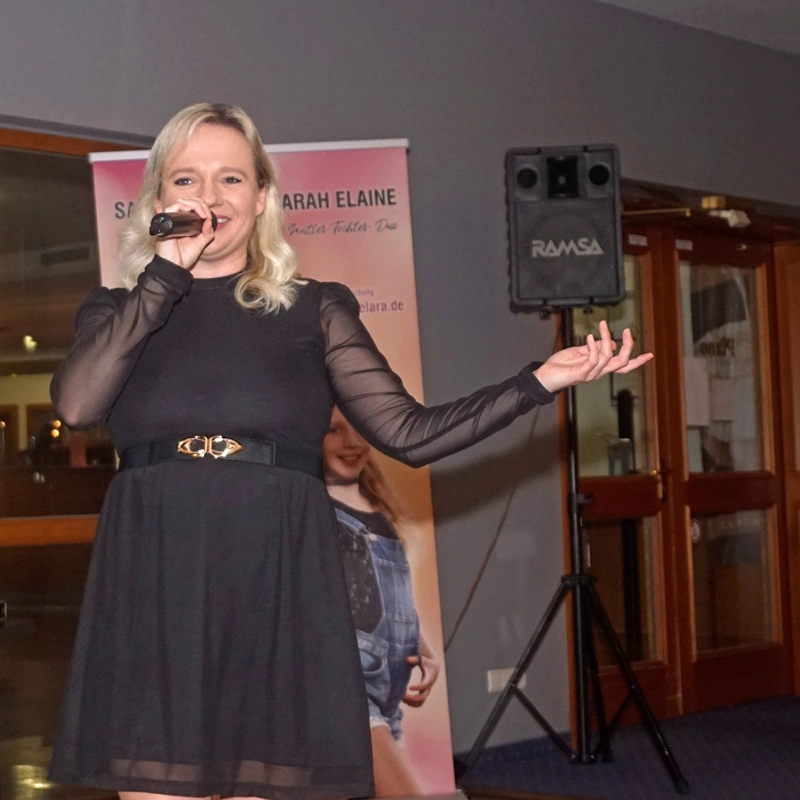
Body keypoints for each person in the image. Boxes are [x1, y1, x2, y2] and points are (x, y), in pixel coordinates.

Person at [48, 101, 653, 800]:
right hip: (158, 577)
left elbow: (410, 434)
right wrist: (164, 278)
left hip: (276, 574)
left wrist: (539, 381)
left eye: (231, 179)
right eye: (187, 179)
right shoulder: (115, 311)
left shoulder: (314, 308)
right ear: (160, 200)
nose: (209, 197)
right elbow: (77, 406)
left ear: (263, 197)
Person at [323, 406, 439, 797]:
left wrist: (422, 648)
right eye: (334, 431)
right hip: (347, 687)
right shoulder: (314, 510)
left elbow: (388, 593)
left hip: (389, 697)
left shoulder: (378, 507)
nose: (353, 442)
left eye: (360, 429)